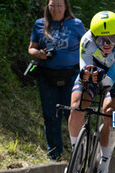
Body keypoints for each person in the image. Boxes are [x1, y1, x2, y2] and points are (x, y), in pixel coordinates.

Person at [69, 11, 115, 173]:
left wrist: (102, 80)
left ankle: (104, 168)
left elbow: (111, 78)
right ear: (93, 37)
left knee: (111, 111)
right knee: (76, 106)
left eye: (112, 39)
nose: (106, 45)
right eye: (101, 40)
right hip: (96, 66)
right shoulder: (86, 41)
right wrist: (86, 77)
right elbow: (84, 70)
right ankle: (75, 156)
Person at [28, 0, 86, 160]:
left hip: (72, 75)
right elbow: (31, 48)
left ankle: (80, 152)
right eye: (52, 5)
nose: (56, 9)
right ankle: (54, 154)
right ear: (47, 6)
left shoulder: (76, 24)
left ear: (66, 6)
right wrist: (38, 53)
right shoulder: (40, 24)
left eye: (60, 5)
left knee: (73, 113)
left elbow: (88, 46)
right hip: (47, 75)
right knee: (50, 115)